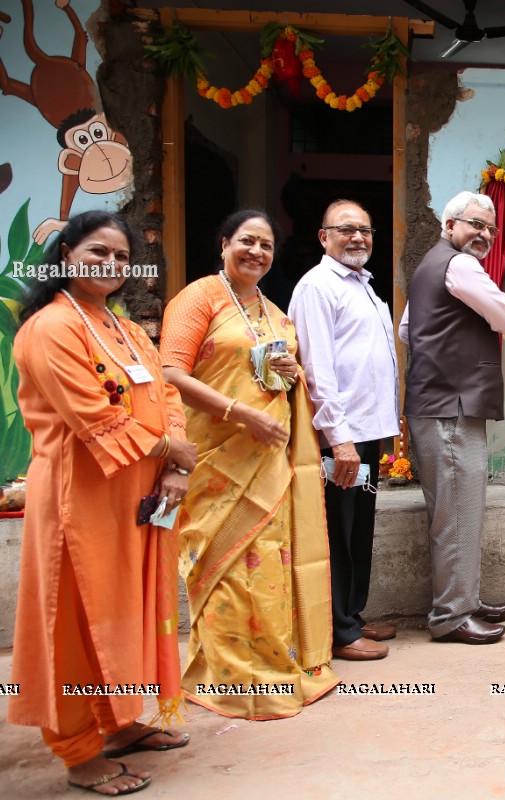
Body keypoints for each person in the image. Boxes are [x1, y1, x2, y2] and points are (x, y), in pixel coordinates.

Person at [8, 211, 195, 794]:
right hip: (77, 497)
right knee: (74, 619)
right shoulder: (50, 328)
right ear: (65, 252)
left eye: (119, 256)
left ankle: (118, 723)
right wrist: (174, 449)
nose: (111, 265)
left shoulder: (121, 326)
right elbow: (94, 415)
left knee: (124, 611)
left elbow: (163, 393)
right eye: (97, 253)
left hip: (137, 495)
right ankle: (76, 750)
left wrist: (173, 465)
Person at [160, 209, 339, 717]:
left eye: (266, 245)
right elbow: (169, 372)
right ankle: (228, 677)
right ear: (223, 244)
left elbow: (278, 381)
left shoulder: (273, 311)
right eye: (246, 241)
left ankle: (270, 665)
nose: (256, 252)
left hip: (267, 463)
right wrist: (239, 413)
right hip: (216, 463)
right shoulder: (200, 297)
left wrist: (291, 371)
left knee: (268, 570)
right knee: (227, 570)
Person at [401, 191, 505, 645]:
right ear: (449, 224)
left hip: (440, 403)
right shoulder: (460, 265)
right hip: (450, 405)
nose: (484, 234)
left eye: (490, 228)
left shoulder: (429, 265)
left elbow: (407, 330)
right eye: (475, 224)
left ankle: (464, 598)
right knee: (456, 512)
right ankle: (451, 615)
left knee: (457, 509)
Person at [290, 199, 401, 661]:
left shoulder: (364, 286)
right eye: (346, 230)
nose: (358, 237)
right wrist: (339, 437)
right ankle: (338, 630)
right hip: (342, 438)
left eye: (365, 230)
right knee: (338, 530)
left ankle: (353, 616)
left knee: (360, 529)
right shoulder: (318, 287)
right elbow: (316, 369)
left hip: (367, 436)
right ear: (324, 237)